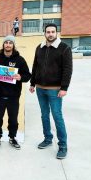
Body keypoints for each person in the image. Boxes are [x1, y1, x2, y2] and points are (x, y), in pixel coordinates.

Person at [29, 23, 72, 159]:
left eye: (53, 32)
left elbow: (67, 69)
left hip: (55, 90)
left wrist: (64, 88)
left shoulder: (64, 48)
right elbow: (35, 66)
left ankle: (63, 145)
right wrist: (32, 83)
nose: (50, 34)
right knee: (44, 115)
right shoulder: (39, 48)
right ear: (44, 33)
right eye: (48, 32)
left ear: (56, 33)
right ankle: (47, 138)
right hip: (40, 88)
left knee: (57, 116)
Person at [0, 35, 31, 151]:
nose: (8, 45)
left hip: (13, 96)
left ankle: (12, 137)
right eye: (6, 42)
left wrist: (20, 76)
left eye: (10, 43)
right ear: (3, 45)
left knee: (13, 119)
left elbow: (28, 76)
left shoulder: (20, 60)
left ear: (13, 45)